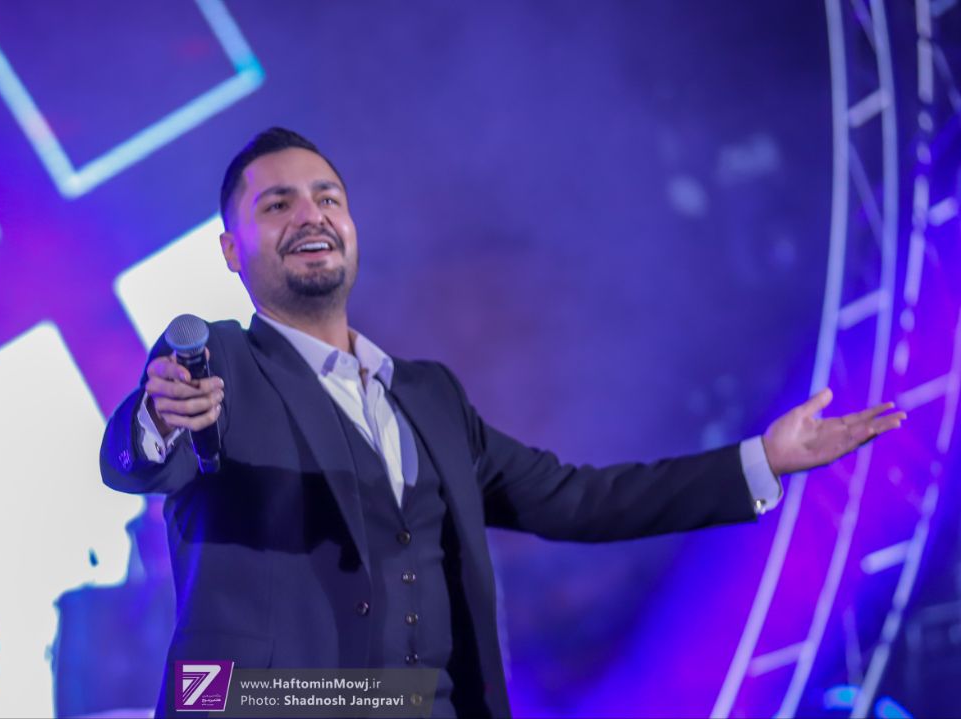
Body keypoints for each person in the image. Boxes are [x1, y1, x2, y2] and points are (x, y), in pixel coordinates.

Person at [99, 127, 905, 718]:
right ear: (231, 250)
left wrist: (760, 460)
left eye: (328, 198)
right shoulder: (220, 364)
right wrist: (160, 417)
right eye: (278, 204)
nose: (311, 214)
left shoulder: (428, 395)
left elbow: (576, 499)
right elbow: (139, 451)